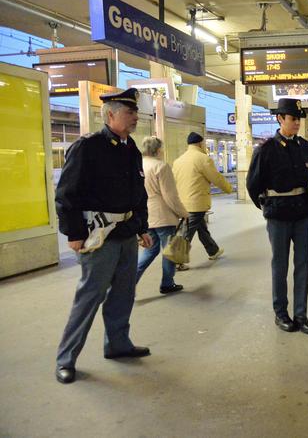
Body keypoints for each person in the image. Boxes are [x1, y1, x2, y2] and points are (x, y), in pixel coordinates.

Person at [54, 88, 153, 384]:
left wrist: (142, 227)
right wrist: (73, 232)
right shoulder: (88, 147)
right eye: (129, 112)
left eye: (135, 112)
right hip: (98, 235)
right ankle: (66, 358)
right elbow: (66, 193)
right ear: (110, 114)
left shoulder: (130, 148)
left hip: (125, 233)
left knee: (124, 293)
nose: (135, 117)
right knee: (90, 296)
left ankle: (118, 344)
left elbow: (139, 193)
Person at [247, 98, 308, 335]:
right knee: (280, 264)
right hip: (278, 214)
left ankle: (301, 314)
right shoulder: (265, 150)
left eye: (298, 119)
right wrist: (268, 207)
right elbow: (252, 185)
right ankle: (281, 313)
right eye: (292, 118)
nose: (297, 123)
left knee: (303, 264)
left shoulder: (306, 148)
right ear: (280, 119)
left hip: (302, 213)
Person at [135, 136, 189, 294]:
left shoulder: (138, 165)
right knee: (170, 250)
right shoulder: (161, 166)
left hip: (146, 215)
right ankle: (167, 283)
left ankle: (129, 283)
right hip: (162, 215)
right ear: (158, 150)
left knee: (150, 250)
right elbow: (170, 195)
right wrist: (183, 213)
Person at [172, 132, 232, 267]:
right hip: (196, 202)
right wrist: (228, 188)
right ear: (200, 143)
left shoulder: (178, 160)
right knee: (187, 233)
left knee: (201, 228)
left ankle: (213, 251)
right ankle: (175, 261)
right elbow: (216, 178)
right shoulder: (203, 159)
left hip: (183, 202)